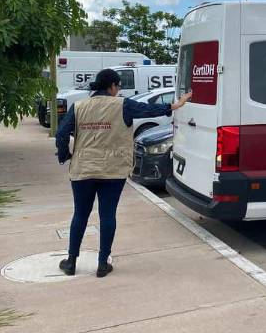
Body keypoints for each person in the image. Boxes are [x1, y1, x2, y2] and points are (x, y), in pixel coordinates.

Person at [55, 69, 191, 277]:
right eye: (117, 86)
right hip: (113, 169)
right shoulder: (123, 105)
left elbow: (61, 134)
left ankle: (71, 262)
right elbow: (148, 110)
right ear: (112, 86)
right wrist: (176, 105)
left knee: (80, 214)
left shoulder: (79, 106)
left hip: (83, 168)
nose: (118, 90)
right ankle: (103, 263)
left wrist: (66, 155)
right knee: (107, 214)